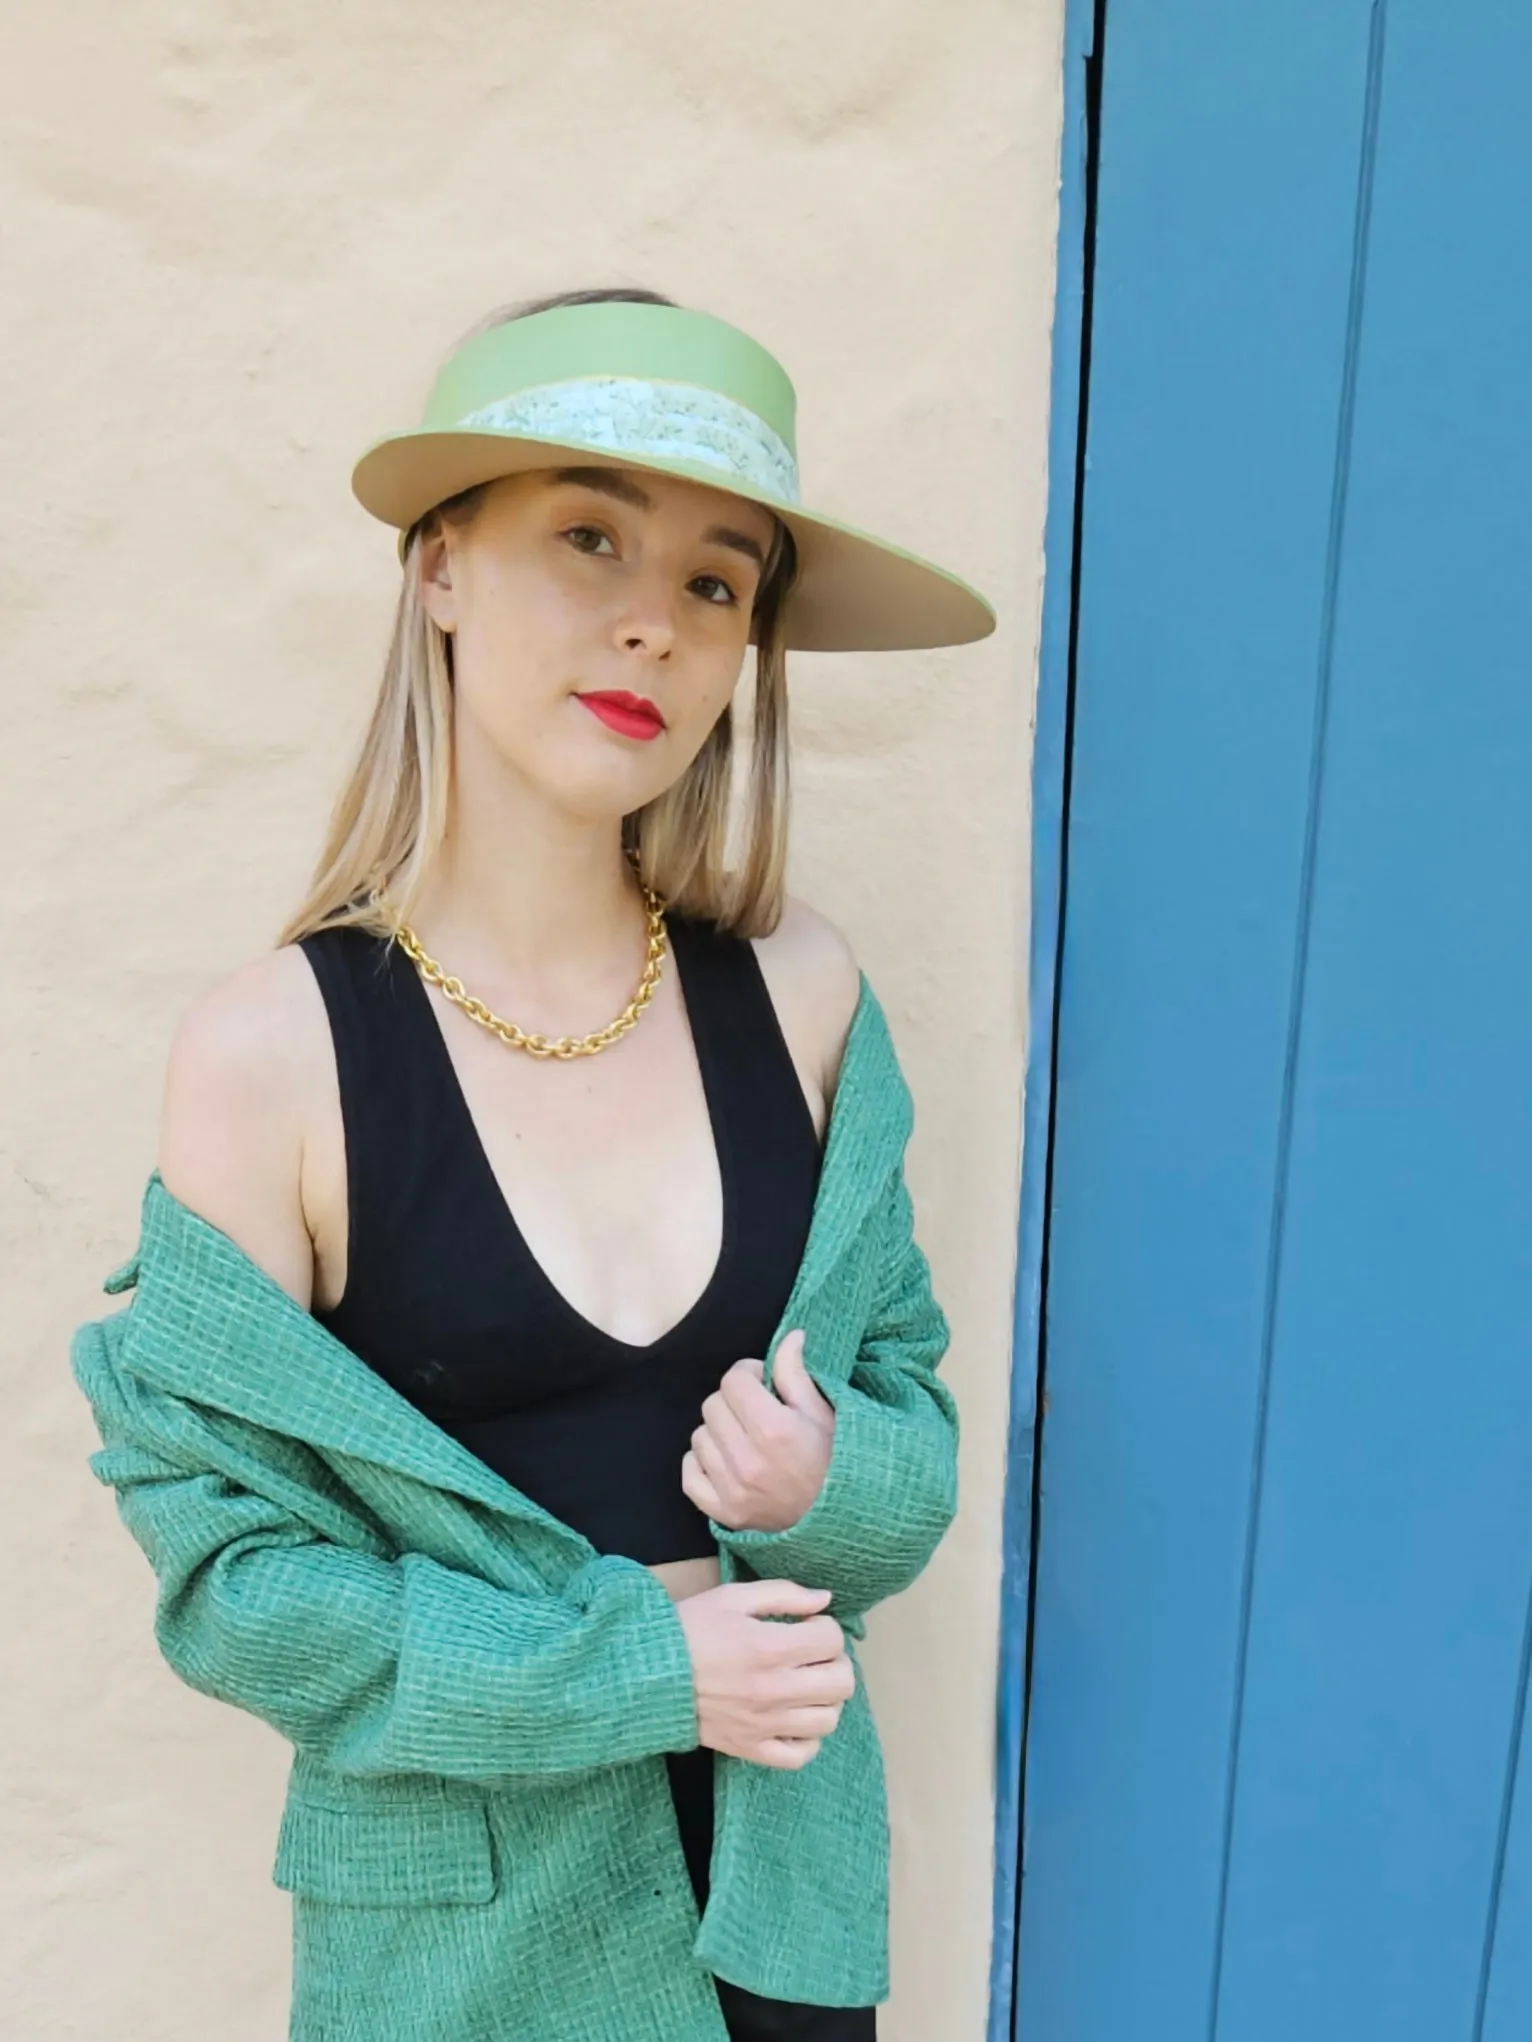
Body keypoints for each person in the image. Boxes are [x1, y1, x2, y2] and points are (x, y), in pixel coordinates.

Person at [72, 285, 995, 2041]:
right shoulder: (272, 1058)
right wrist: (646, 1671)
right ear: (437, 567)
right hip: (466, 1976)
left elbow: (908, 1439)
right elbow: (236, 1590)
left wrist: (824, 1483)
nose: (655, 623)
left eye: (718, 581)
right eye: (589, 536)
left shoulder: (806, 1000)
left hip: (783, 1924)